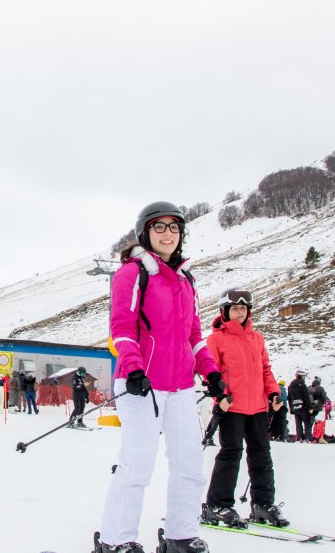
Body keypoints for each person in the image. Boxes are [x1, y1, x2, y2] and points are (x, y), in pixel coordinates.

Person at [95, 201, 217, 553]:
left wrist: (211, 372)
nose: (168, 234)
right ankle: (116, 539)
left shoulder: (185, 279)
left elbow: (193, 335)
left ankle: (180, 534)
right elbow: (121, 327)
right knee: (138, 463)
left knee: (189, 462)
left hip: (180, 385)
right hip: (140, 383)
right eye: (159, 227)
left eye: (174, 227)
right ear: (145, 233)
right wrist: (133, 367)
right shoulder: (133, 273)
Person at [201, 288, 288, 531]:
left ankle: (262, 503)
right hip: (231, 406)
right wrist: (220, 396)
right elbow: (211, 372)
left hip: (258, 407)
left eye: (243, 309)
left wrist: (273, 393)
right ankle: (218, 504)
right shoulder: (216, 339)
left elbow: (265, 370)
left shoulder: (256, 338)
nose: (239, 313)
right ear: (225, 312)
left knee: (262, 454)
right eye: (234, 309)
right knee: (231, 453)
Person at [286, 370, 313, 442]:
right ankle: (308, 438)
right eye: (304, 376)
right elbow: (306, 397)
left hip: (295, 407)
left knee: (298, 424)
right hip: (303, 407)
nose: (304, 378)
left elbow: (289, 398)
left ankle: (300, 437)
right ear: (301, 376)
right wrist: (310, 407)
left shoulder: (290, 386)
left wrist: (291, 408)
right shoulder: (303, 385)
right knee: (307, 423)